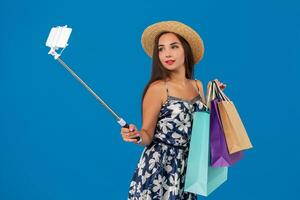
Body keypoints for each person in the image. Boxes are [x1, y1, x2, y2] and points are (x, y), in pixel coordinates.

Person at [121, 21, 226, 200]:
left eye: (174, 46)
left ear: (186, 50)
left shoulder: (198, 86)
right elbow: (147, 134)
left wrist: (214, 98)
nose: (166, 54)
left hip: (188, 168)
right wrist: (136, 135)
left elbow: (202, 128)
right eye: (161, 49)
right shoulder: (158, 88)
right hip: (159, 168)